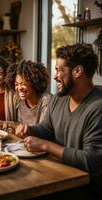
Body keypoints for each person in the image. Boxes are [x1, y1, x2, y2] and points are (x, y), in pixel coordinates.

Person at [15, 44, 102, 199]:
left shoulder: (98, 107)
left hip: (85, 188)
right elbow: (47, 130)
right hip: (58, 174)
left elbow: (92, 161)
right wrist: (31, 130)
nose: (55, 76)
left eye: (59, 70)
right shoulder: (59, 99)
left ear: (78, 71)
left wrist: (45, 145)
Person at [5, 60, 52, 128]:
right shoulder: (21, 102)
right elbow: (20, 126)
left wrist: (11, 124)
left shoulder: (46, 100)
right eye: (16, 84)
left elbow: (43, 129)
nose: (19, 88)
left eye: (23, 84)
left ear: (34, 83)